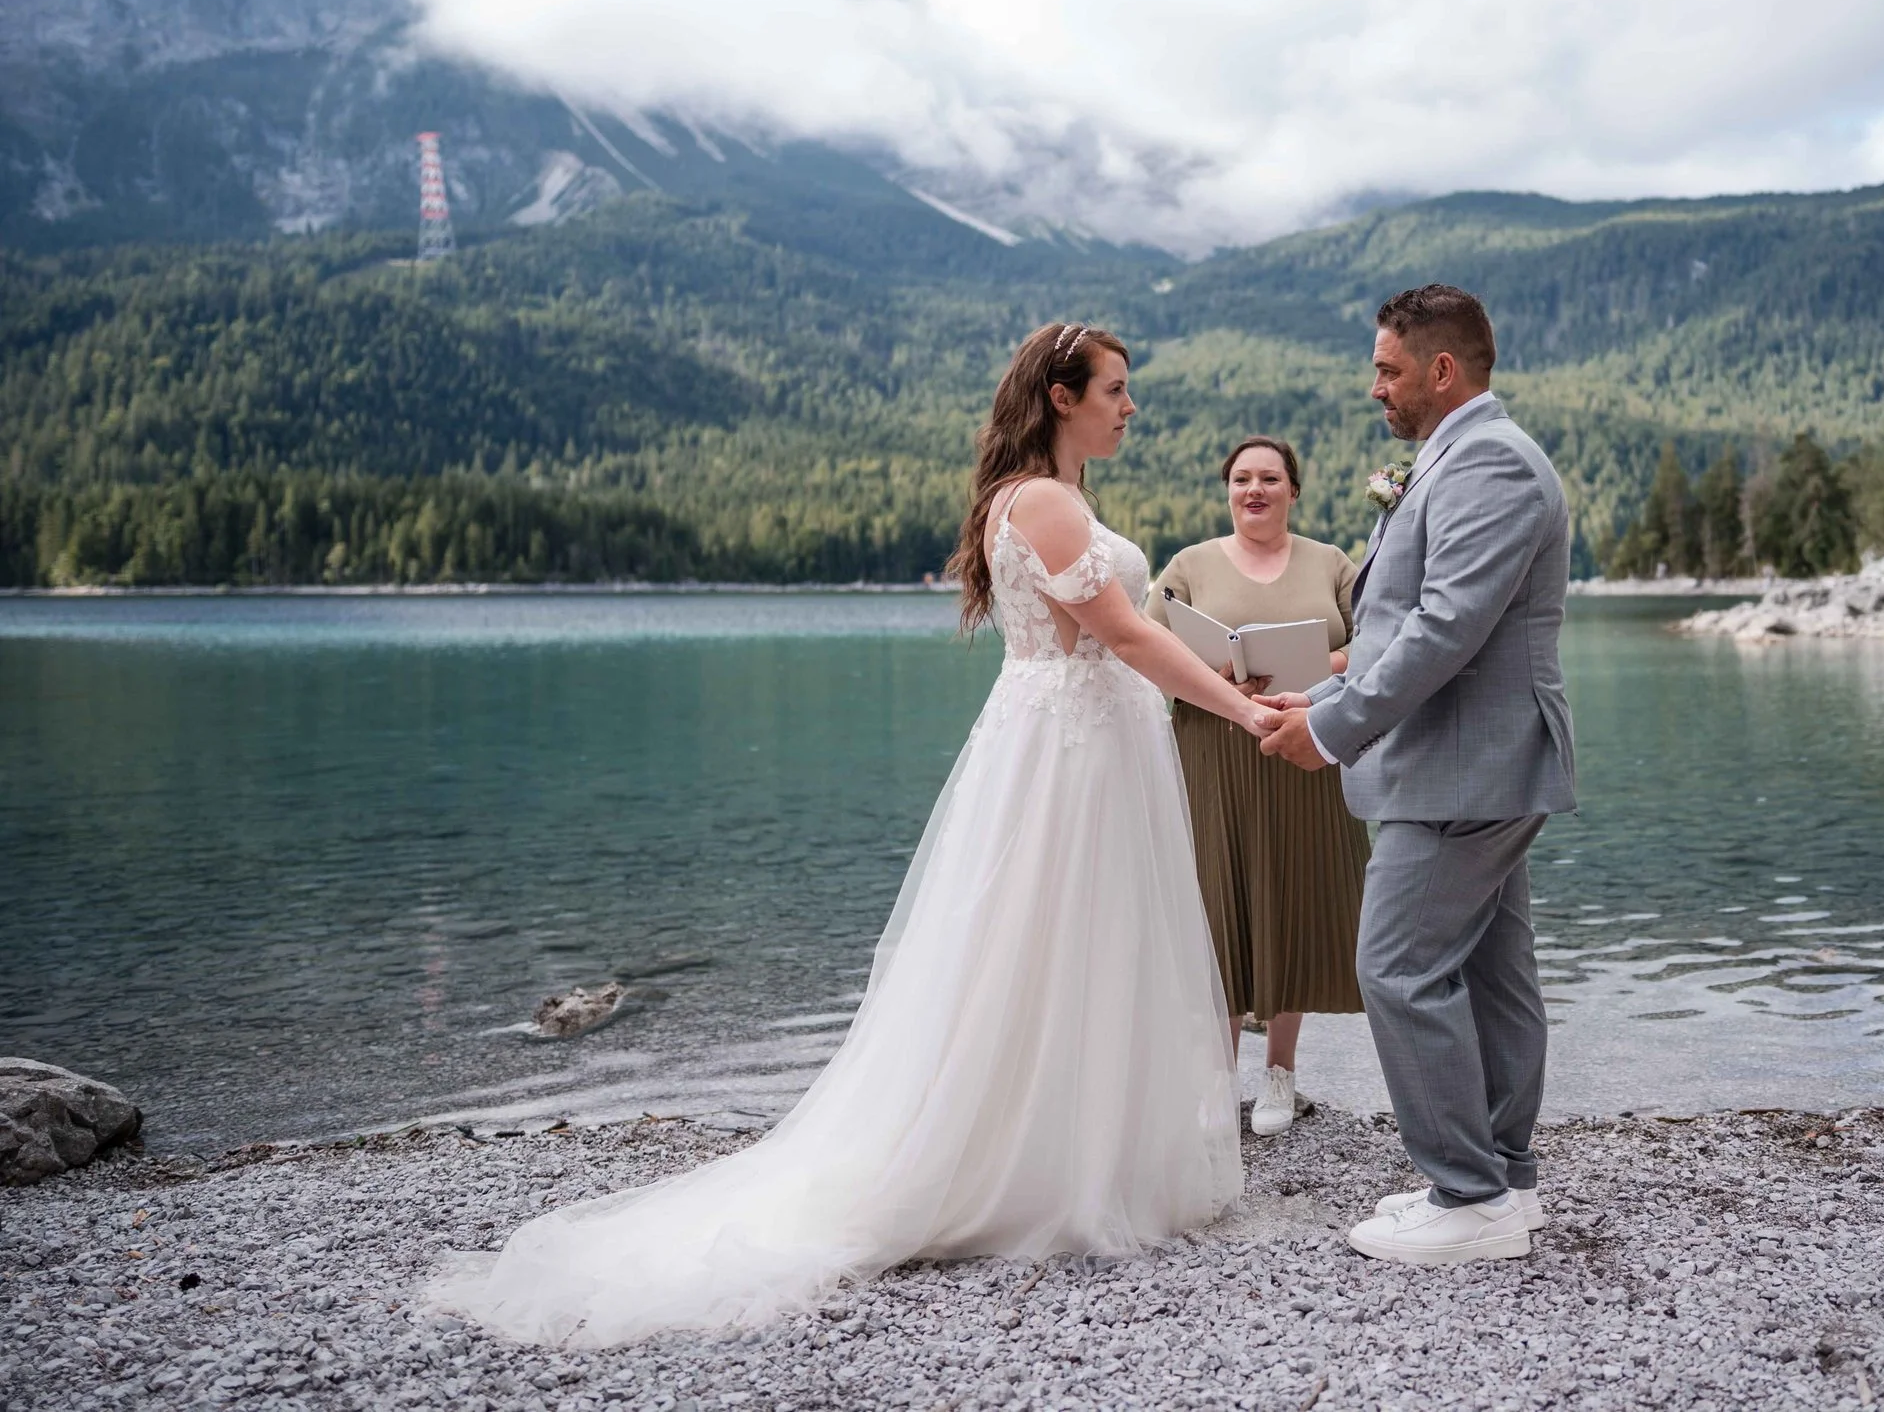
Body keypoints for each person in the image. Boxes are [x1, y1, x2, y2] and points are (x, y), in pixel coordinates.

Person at [429, 323, 1275, 1346]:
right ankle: (1039, 1164)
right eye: (1115, 389)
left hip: (1072, 742)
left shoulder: (1040, 497)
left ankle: (1066, 1144)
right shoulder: (1047, 500)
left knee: (1053, 949)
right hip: (1074, 756)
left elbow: (1122, 632)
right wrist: (1245, 714)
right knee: (1057, 944)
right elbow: (1125, 634)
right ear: (1062, 396)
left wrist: (1223, 680)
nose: (1129, 406)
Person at [1260, 283, 1576, 1268]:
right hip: (1469, 763)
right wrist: (1318, 692)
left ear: (1443, 370)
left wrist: (1335, 729)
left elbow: (1447, 628)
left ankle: (1468, 1194)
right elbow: (1406, 624)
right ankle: (1501, 1182)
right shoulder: (1453, 459)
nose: (1374, 388)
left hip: (1463, 767)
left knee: (1397, 966)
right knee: (1489, 974)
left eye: (1387, 368)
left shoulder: (1490, 464)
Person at [1144, 436, 1370, 1138]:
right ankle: (1217, 1085)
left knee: (1290, 897)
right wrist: (1218, 680)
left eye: (1270, 478)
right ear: (1227, 488)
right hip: (1213, 751)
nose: (1255, 489)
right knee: (1218, 904)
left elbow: (1380, 641)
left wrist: (1322, 663)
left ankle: (1280, 1074)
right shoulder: (1188, 565)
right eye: (1242, 478)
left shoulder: (1333, 563)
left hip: (1306, 745)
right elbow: (1149, 649)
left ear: (1292, 490)